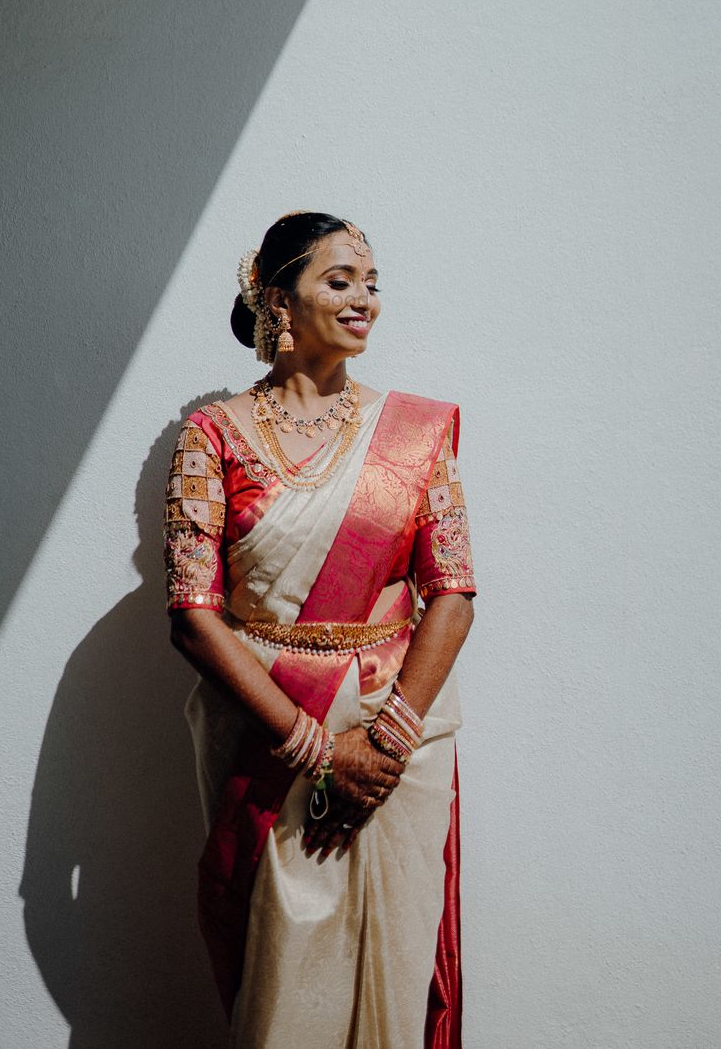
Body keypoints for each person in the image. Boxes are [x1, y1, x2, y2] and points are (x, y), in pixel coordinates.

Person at [164, 211, 477, 1048]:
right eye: (340, 280)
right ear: (278, 300)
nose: (364, 299)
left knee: (396, 968)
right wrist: (316, 749)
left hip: (393, 733)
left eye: (372, 283)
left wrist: (387, 742)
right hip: (265, 731)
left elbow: (453, 591)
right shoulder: (214, 436)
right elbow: (193, 614)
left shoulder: (414, 433)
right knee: (278, 974)